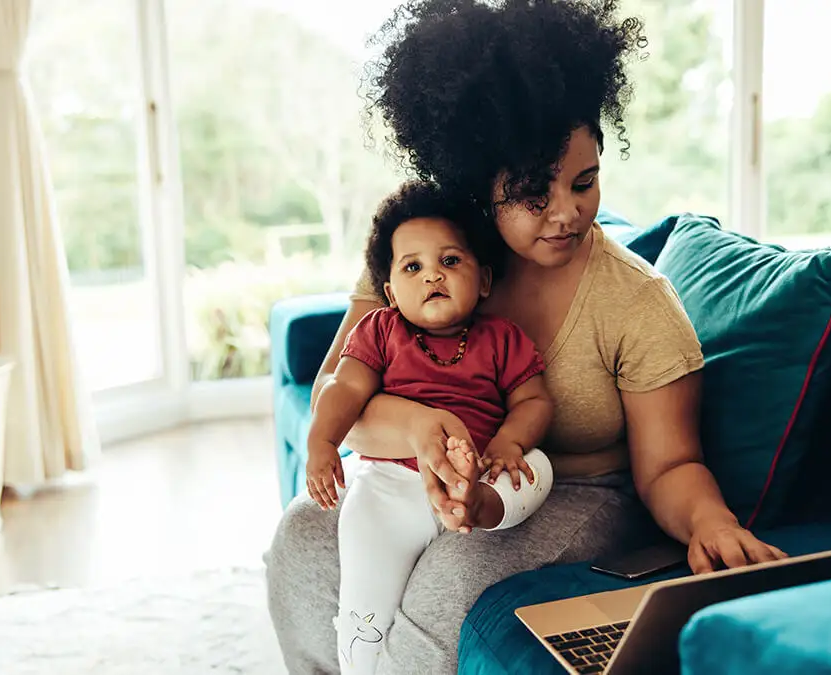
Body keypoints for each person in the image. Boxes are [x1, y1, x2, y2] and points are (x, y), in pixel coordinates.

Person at [266, 1, 787, 672]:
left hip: (571, 491)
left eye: (585, 181)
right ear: (478, 183)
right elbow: (340, 405)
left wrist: (711, 521)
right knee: (302, 540)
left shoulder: (636, 302)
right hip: (406, 472)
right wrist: (425, 431)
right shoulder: (421, 256)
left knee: (449, 581)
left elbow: (668, 465)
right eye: (535, 195)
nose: (568, 212)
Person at [306, 179, 557, 674]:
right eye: (413, 267)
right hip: (392, 486)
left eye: (450, 261)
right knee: (364, 610)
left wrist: (510, 441)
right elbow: (344, 389)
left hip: (481, 469)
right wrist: (322, 441)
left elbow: (534, 401)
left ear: (484, 280)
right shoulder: (379, 331)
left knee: (539, 468)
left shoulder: (501, 338)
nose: (432, 277)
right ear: (390, 293)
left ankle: (476, 507)